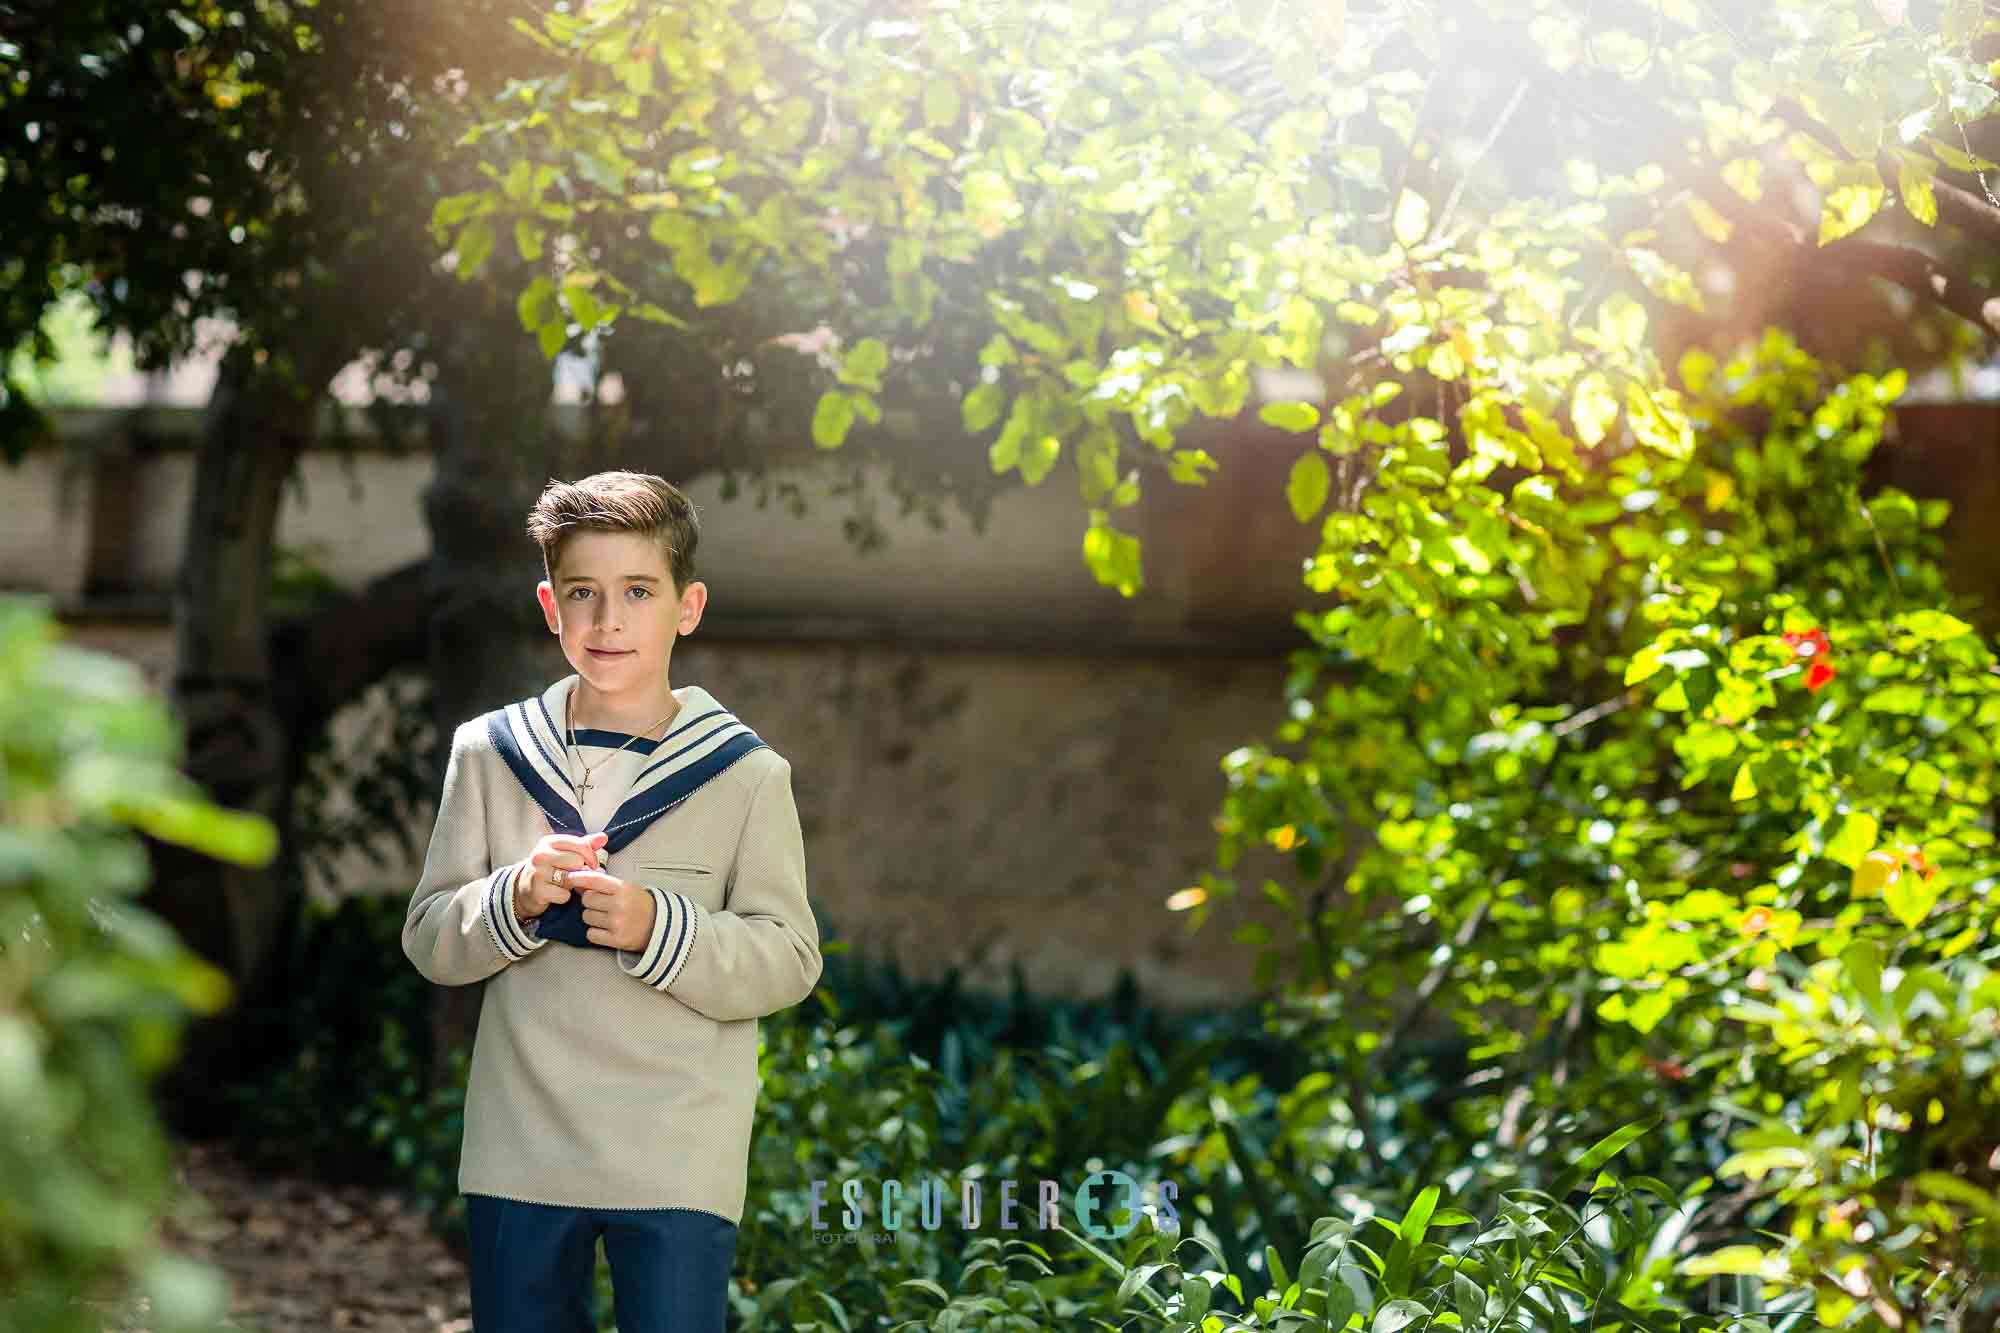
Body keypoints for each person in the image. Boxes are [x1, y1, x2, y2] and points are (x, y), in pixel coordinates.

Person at [401, 470, 823, 1333]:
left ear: (688, 605)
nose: (608, 620)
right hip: (523, 1144)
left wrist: (658, 926)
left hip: (677, 1153)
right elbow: (429, 937)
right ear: (550, 606)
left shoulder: (747, 774)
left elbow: (790, 955)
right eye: (582, 593)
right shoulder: (489, 753)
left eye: (639, 591)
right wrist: (513, 895)